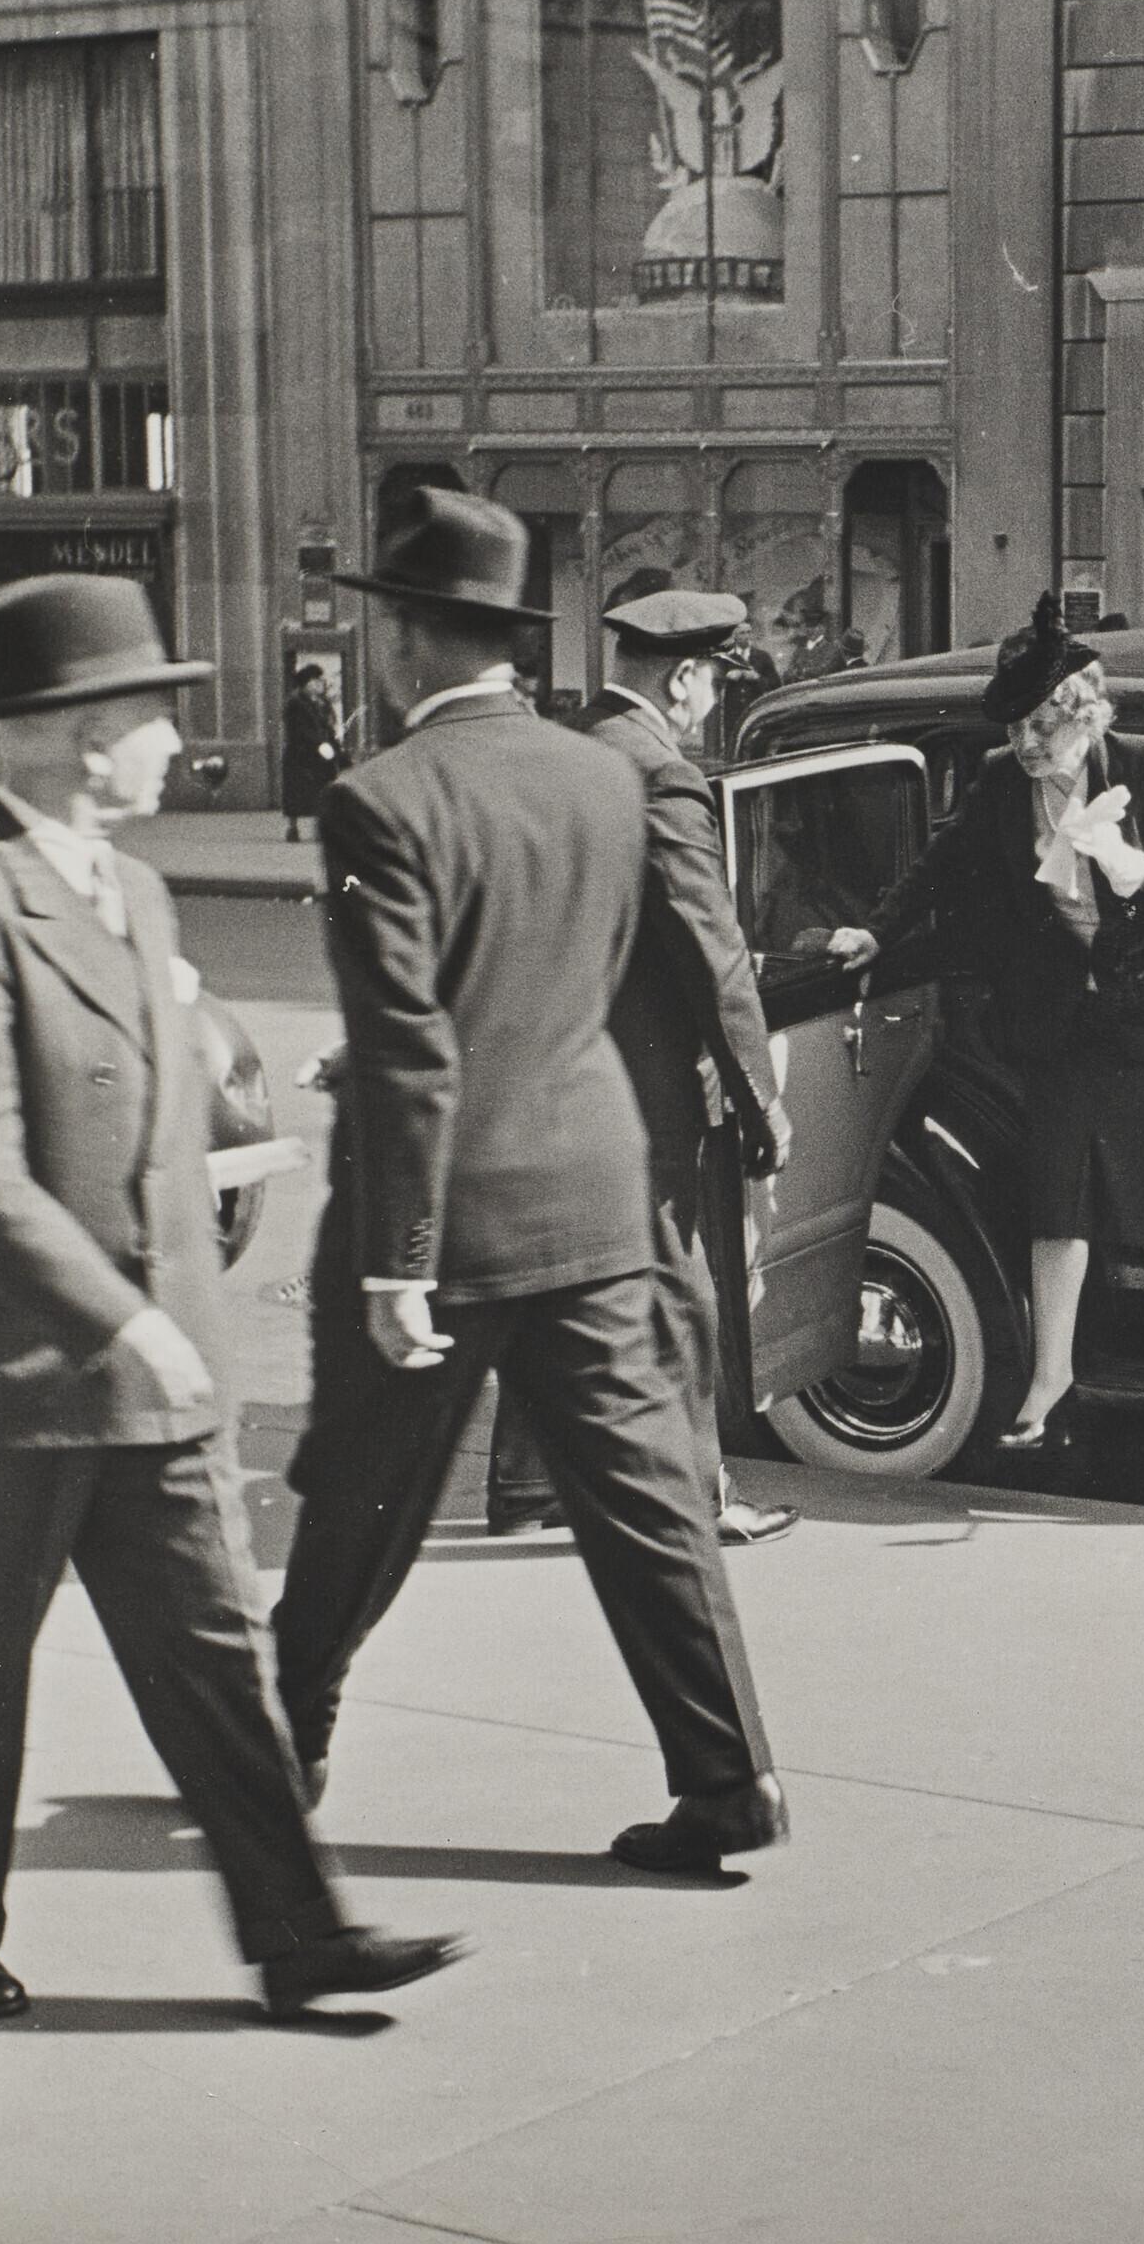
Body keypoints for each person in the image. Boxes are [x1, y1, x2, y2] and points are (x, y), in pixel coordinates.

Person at [0, 575, 463, 2021]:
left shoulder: (132, 889)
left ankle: (300, 1927)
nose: (172, 743)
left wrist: (177, 1314)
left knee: (214, 1656)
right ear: (74, 733)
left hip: (160, 1368)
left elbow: (157, 1124)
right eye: (147, 712)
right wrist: (118, 1315)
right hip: (14, 1376)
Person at [272, 491, 784, 1877]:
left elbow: (413, 1043)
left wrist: (395, 1255)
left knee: (363, 1499)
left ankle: (283, 1741)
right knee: (652, 1503)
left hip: (448, 1222)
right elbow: (581, 981)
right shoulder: (604, 777)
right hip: (598, 1197)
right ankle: (730, 1780)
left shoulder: (380, 799)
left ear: (406, 643)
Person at [826, 594, 1144, 1454]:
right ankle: (1054, 1372)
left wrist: (1129, 866)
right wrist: (878, 930)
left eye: (1042, 728)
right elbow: (940, 862)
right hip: (1059, 1016)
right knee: (1059, 1199)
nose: (1026, 747)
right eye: (1015, 732)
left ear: (1084, 712)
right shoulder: (1004, 783)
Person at [484, 589, 799, 1547]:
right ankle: (697, 1500)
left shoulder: (559, 753)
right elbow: (714, 953)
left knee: (560, 1286)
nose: (710, 705)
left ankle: (526, 1489)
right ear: (685, 677)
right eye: (712, 684)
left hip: (547, 1076)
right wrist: (764, 1101)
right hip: (641, 1091)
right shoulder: (663, 777)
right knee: (680, 1297)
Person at [280, 662, 345, 844]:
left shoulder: (321, 703)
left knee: (321, 792)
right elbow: (301, 729)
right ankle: (293, 828)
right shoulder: (296, 703)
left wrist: (333, 745)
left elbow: (328, 727)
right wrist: (319, 743)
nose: (319, 684)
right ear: (305, 684)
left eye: (319, 681)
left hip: (319, 754)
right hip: (301, 754)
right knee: (299, 793)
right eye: (314, 681)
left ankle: (319, 828)